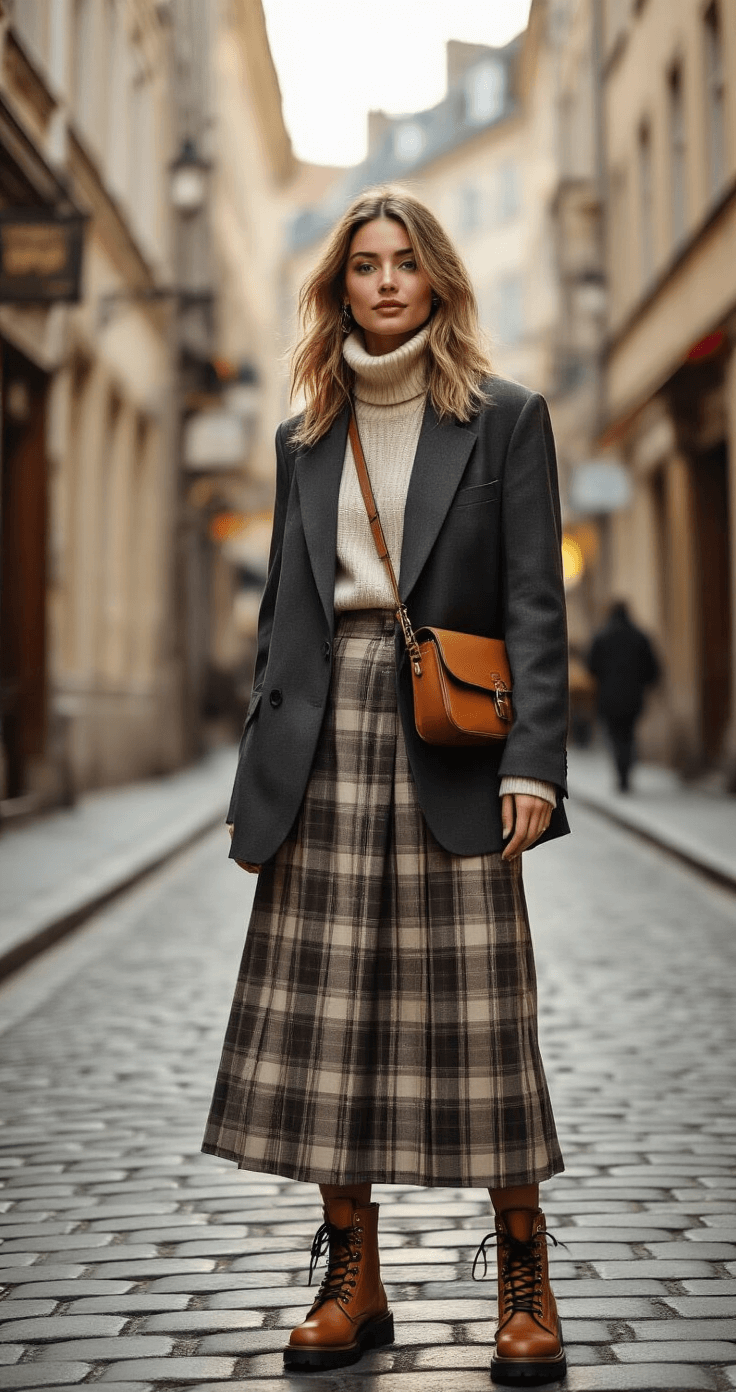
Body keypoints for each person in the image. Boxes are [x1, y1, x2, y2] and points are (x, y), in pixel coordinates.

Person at [202, 187, 570, 1387]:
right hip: (321, 743)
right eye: (364, 264)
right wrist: (259, 767)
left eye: (406, 261)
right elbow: (281, 618)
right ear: (339, 287)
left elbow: (532, 602)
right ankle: (352, 1280)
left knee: (480, 1017)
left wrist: (535, 760)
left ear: (438, 278)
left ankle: (523, 1271)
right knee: (325, 1024)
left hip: (450, 732)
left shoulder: (505, 420)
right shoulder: (303, 436)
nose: (386, 282)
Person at [587, 600, 660, 792]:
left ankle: (622, 774)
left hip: (608, 698)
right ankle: (626, 772)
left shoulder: (601, 638)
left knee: (615, 736)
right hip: (633, 697)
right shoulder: (639, 637)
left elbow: (591, 667)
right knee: (628, 734)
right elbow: (652, 668)